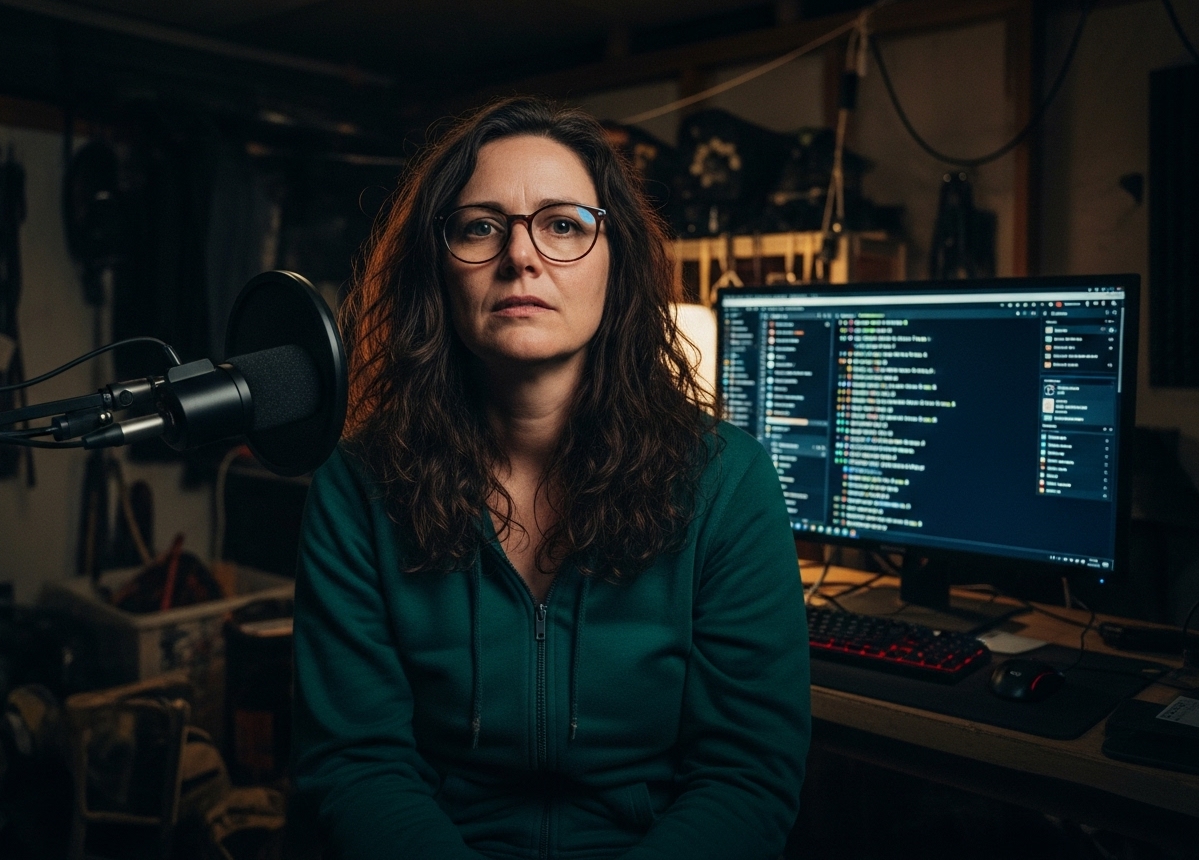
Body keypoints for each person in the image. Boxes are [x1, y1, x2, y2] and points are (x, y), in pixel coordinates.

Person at [291, 96, 810, 860]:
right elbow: (358, 765)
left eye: (563, 224)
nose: (521, 256)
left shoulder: (728, 482)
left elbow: (746, 775)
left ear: (616, 260)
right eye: (479, 226)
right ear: (437, 269)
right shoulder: (356, 486)